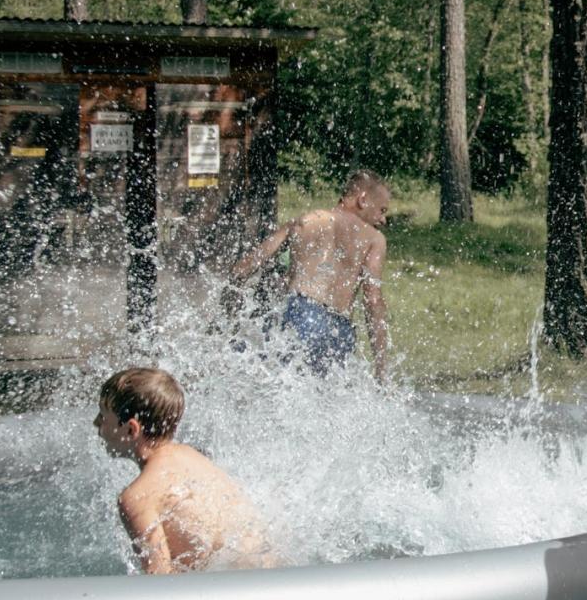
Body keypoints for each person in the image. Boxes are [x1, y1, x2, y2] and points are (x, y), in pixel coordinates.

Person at [94, 367, 275, 574]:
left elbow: (159, 579)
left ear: (131, 429)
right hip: (270, 573)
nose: (96, 423)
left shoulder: (138, 497)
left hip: (234, 588)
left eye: (102, 415)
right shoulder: (193, 457)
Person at [232, 169, 391, 379]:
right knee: (327, 395)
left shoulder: (307, 220)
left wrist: (231, 311)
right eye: (381, 210)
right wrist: (381, 367)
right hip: (340, 329)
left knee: (277, 384)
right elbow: (373, 299)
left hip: (300, 313)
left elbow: (244, 268)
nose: (383, 219)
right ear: (362, 199)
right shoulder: (374, 239)